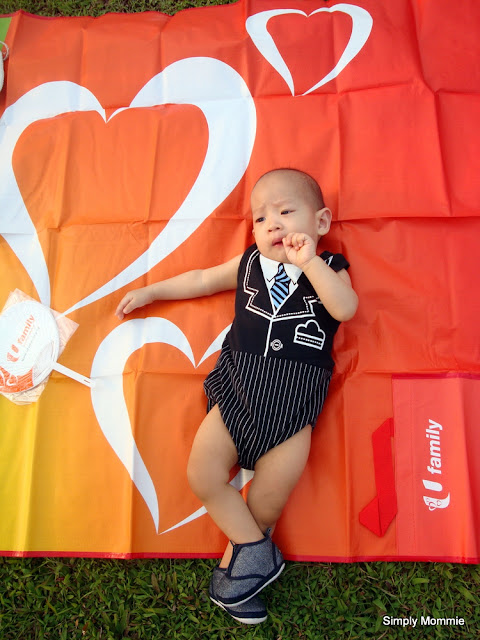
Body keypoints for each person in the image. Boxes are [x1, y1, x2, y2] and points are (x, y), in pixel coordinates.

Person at [115, 168, 358, 625]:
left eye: (286, 212)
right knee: (202, 473)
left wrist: (309, 263)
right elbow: (201, 279)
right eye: (261, 218)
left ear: (321, 222)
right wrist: (151, 291)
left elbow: (345, 309)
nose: (273, 224)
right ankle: (253, 552)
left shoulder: (330, 268)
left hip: (292, 408)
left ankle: (241, 572)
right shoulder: (249, 264)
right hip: (237, 392)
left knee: (266, 502)